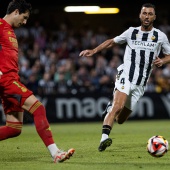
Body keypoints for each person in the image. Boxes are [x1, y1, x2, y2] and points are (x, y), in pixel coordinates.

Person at [79, 3, 170, 152]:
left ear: (154, 17)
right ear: (140, 15)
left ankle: (110, 107)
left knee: (120, 119)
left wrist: (163, 60)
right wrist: (93, 50)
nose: (147, 16)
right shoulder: (131, 32)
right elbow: (111, 42)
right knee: (118, 106)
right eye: (144, 13)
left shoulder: (160, 36)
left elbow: (169, 55)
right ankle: (104, 138)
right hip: (126, 75)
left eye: (150, 14)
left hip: (141, 83)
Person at [0, 0, 75, 163]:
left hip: (11, 79)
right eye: (24, 17)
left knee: (14, 129)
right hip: (5, 80)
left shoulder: (10, 31)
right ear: (16, 12)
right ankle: (56, 153)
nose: (25, 22)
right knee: (38, 108)